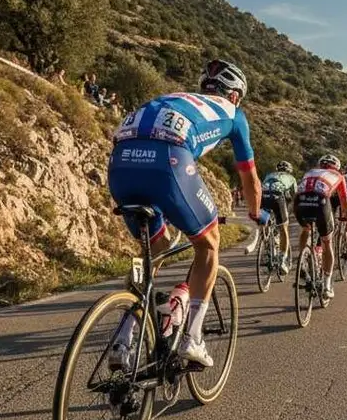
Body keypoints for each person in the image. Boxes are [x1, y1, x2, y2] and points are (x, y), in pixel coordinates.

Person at [106, 59, 263, 368]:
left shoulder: (175, 98)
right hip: (169, 160)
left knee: (156, 248)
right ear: (234, 95)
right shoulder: (234, 114)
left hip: (121, 163)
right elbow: (249, 179)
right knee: (208, 244)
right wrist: (256, 214)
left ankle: (124, 338)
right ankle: (192, 338)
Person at [294, 154, 347, 300]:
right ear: (336, 167)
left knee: (306, 229)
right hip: (320, 202)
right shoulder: (338, 175)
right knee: (327, 242)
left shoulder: (310, 172)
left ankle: (303, 259)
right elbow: (344, 200)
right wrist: (345, 217)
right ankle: (327, 285)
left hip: (299, 202)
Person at [244, 160, 297, 274]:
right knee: (283, 228)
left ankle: (267, 248)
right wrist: (290, 212)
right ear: (289, 171)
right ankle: (282, 260)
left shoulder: (269, 175)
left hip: (263, 197)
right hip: (277, 197)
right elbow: (295, 198)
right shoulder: (291, 178)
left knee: (266, 221)